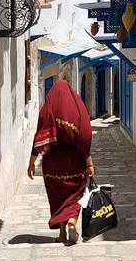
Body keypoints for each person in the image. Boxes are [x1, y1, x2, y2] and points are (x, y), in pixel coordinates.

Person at [28, 79, 94, 245]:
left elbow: (39, 137)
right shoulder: (77, 109)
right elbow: (84, 135)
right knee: (75, 194)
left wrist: (31, 162)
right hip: (75, 162)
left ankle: (63, 234)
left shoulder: (47, 110)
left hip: (53, 164)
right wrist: (89, 161)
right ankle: (72, 220)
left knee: (58, 197)